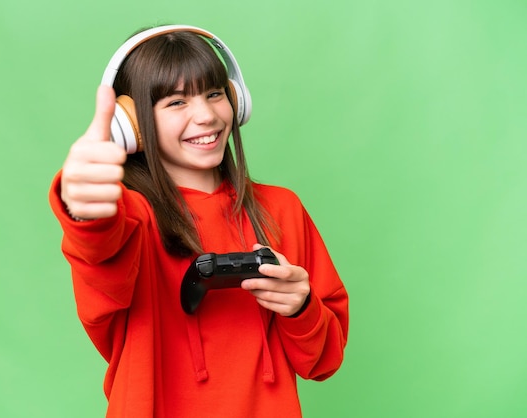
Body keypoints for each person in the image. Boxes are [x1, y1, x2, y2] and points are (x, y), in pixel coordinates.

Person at [49, 24, 349, 418]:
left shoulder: (281, 209)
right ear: (132, 124)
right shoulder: (130, 218)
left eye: (214, 94)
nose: (206, 115)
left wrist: (301, 308)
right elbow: (98, 250)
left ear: (236, 100)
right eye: (176, 102)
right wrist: (85, 208)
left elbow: (323, 362)